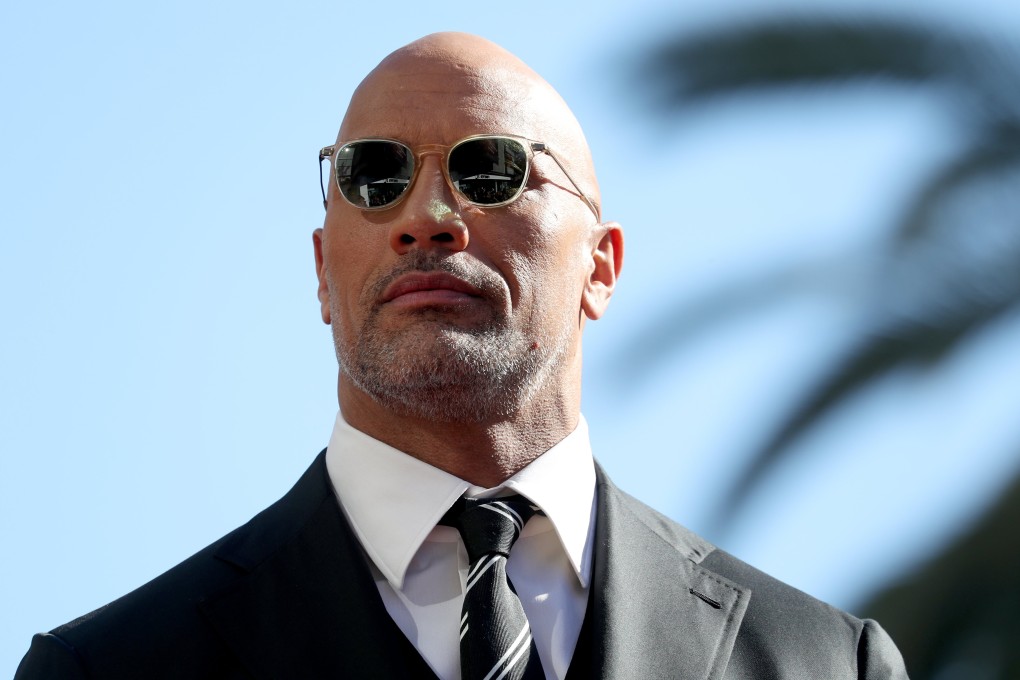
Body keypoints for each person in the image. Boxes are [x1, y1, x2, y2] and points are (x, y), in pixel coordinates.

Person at [16, 32, 909, 679]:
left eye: (490, 170)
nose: (425, 215)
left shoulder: (825, 663)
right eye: (374, 175)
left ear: (601, 267)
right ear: (323, 273)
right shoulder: (107, 670)